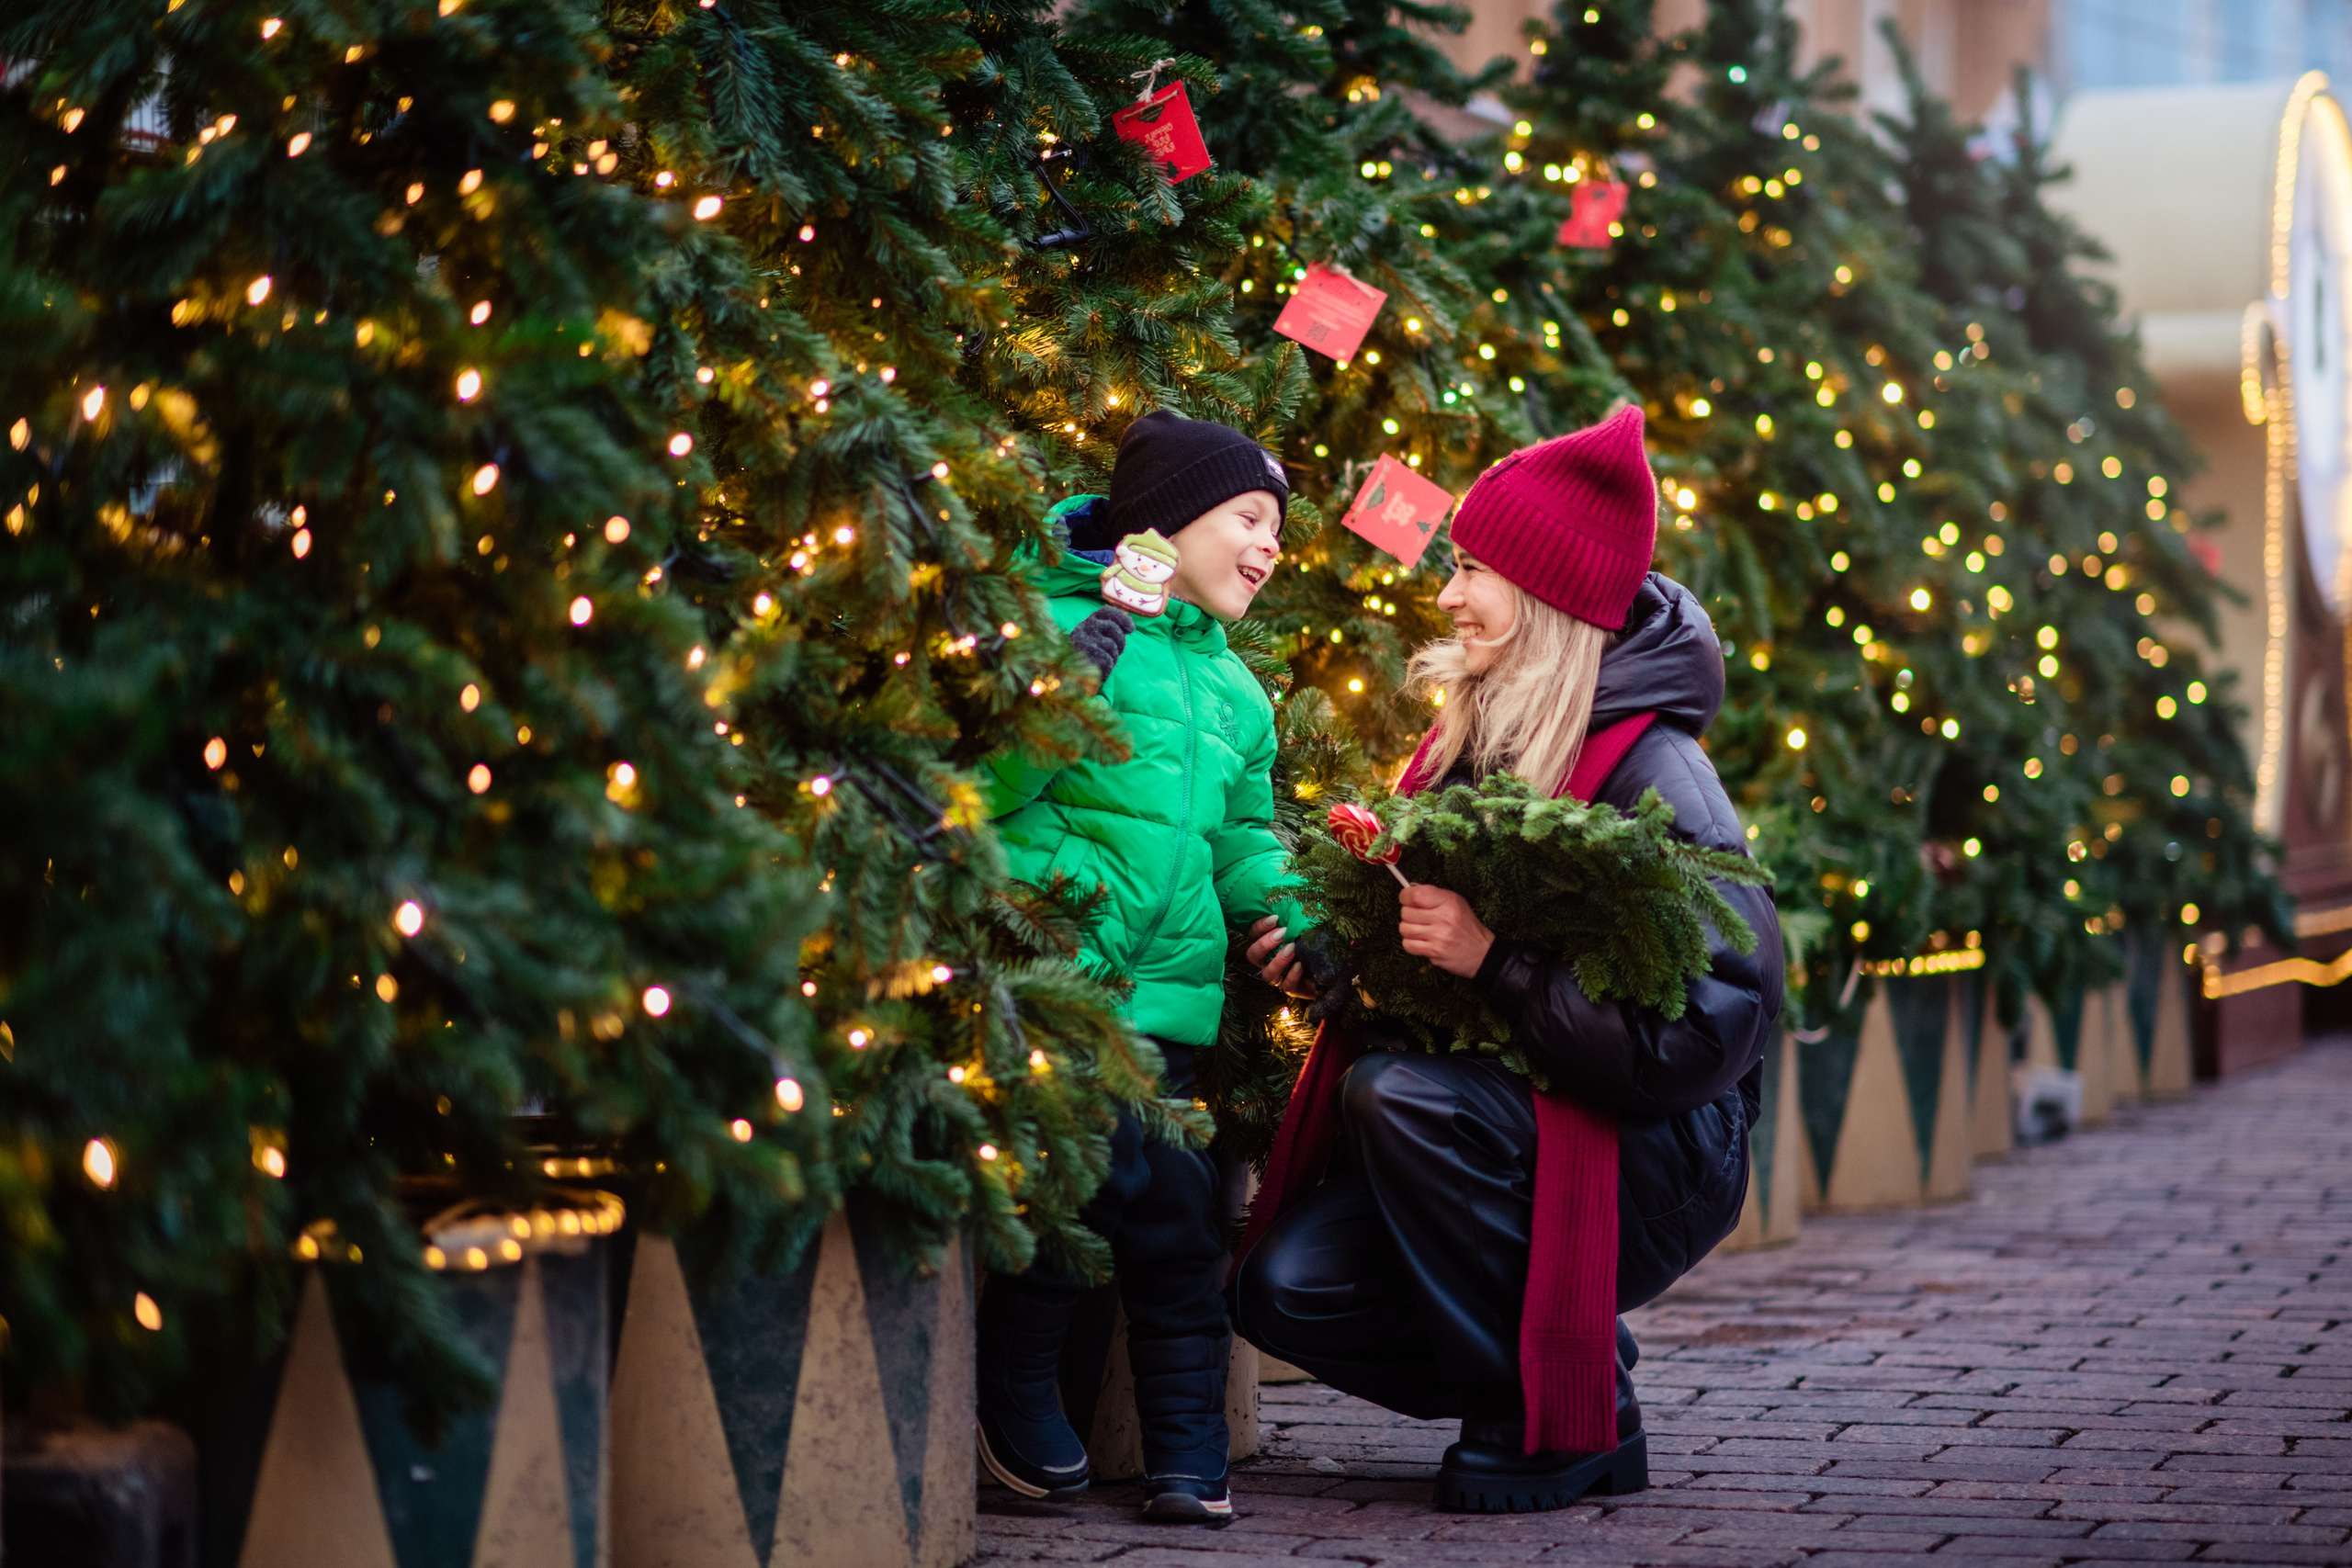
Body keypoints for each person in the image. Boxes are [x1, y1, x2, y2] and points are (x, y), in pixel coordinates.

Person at [1229, 404, 1782, 1514]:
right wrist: (1340, 955)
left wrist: (1497, 963)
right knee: (1286, 1290)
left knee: (1400, 1099)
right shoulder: (1471, 742)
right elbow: (1416, 935)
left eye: (1472, 569)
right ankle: (1574, 1385)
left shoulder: (1654, 769)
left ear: (1543, 598)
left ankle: (1553, 1424)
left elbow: (1713, 1023)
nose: (1446, 595)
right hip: (1506, 1122)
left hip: (1659, 1149)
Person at [976, 410, 1328, 1522]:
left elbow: (1243, 839)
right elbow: (974, 797)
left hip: (1169, 1011)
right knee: (1074, 1184)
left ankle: (1186, 1450)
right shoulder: (1058, 628)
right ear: (1166, 522)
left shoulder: (1235, 691)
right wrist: (1055, 701)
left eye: (1281, 527)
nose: (1272, 547)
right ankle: (1018, 1395)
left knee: (1180, 1210)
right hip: (1055, 990)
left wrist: (1292, 920)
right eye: (1250, 518)